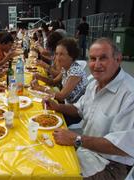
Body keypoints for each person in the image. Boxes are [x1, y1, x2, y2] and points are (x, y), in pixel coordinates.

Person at [44, 38, 134, 179]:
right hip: (86, 149)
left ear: (118, 59)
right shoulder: (94, 83)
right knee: (44, 155)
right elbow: (78, 109)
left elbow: (120, 146)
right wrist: (57, 106)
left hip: (111, 164)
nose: (97, 65)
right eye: (93, 59)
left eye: (103, 58)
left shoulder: (130, 94)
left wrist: (77, 139)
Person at [31, 38, 88, 105]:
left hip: (74, 111)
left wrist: (40, 88)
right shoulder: (66, 68)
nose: (57, 58)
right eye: (57, 54)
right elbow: (54, 82)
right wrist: (39, 77)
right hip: (67, 105)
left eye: (61, 54)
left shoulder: (75, 72)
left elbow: (61, 96)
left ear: (71, 56)